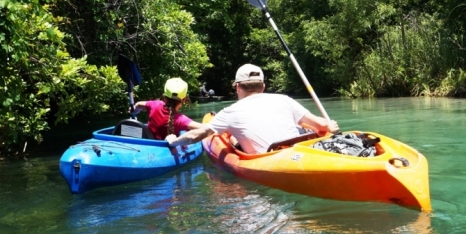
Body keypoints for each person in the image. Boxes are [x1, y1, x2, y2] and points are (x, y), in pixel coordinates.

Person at [165, 64, 339, 154]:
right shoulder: (285, 100)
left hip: (268, 162)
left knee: (232, 137)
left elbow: (197, 135)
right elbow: (322, 127)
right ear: (263, 86)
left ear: (237, 87)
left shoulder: (229, 112)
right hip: (296, 153)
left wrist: (174, 141)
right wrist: (330, 125)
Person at [132, 78, 204, 140]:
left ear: (165, 97)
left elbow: (138, 104)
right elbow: (205, 129)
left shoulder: (155, 104)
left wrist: (134, 111)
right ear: (184, 100)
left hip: (147, 142)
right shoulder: (181, 120)